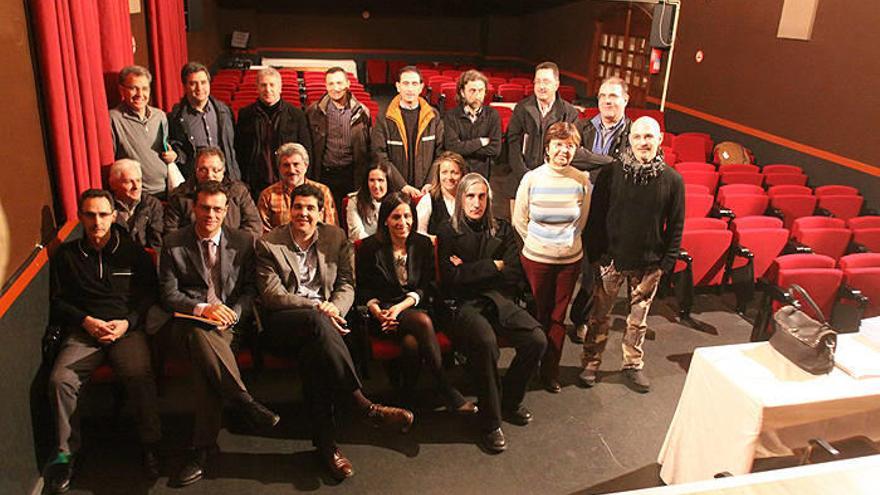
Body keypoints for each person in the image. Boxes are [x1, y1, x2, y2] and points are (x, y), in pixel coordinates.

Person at [256, 183, 414, 481]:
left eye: (310, 208)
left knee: (315, 356)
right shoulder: (269, 243)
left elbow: (346, 284)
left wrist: (335, 309)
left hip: (325, 326)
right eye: (298, 207)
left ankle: (328, 448)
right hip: (283, 324)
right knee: (316, 323)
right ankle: (363, 405)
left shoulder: (335, 237)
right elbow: (272, 295)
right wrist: (318, 307)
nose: (303, 213)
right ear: (290, 209)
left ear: (320, 213)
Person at [159, 180, 279, 487]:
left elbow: (251, 289)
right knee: (200, 335)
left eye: (216, 209)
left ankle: (202, 449)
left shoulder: (243, 241)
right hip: (188, 322)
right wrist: (202, 309)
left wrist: (233, 313)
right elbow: (168, 295)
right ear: (194, 208)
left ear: (226, 211)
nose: (209, 215)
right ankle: (243, 401)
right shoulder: (173, 242)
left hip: (230, 326)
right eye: (204, 208)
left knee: (205, 365)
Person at [45, 189, 161, 493]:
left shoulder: (133, 252)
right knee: (60, 380)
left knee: (139, 374)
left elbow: (150, 295)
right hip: (85, 331)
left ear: (114, 216)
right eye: (90, 215)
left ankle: (151, 444)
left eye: (102, 215)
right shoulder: (67, 256)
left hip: (126, 329)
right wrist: (86, 321)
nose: (97, 222)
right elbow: (59, 302)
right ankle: (65, 455)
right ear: (80, 217)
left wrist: (128, 323)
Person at [437, 173, 546, 453]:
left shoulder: (503, 229)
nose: (476, 203)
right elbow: (452, 280)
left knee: (536, 340)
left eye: (482, 196)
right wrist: (493, 266)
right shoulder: (448, 231)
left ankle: (509, 400)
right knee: (485, 343)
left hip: (499, 300)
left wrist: (470, 269)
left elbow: (513, 273)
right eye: (470, 196)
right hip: (464, 305)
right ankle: (490, 422)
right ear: (461, 199)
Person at [579, 116, 685, 393]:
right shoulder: (611, 173)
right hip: (611, 261)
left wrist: (665, 264)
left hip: (649, 265)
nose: (643, 142)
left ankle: (632, 365)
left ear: (659, 139)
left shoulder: (673, 180)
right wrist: (595, 255)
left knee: (638, 322)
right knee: (599, 317)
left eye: (649, 137)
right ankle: (591, 362)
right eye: (637, 136)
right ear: (629, 139)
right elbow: (596, 217)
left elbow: (676, 226)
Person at [356, 192, 477, 413]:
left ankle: (406, 400)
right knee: (419, 325)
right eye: (396, 217)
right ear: (385, 219)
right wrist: (378, 312)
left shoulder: (422, 244)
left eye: (407, 216)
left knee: (411, 343)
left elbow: (426, 286)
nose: (403, 222)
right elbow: (363, 289)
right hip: (382, 315)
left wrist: (400, 307)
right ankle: (446, 389)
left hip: (414, 307)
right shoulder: (369, 247)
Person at [512, 122, 591, 393]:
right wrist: (540, 244)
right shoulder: (532, 179)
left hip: (569, 260)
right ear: (547, 148)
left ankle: (550, 371)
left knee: (558, 318)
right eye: (558, 144)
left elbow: (581, 222)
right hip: (536, 259)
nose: (564, 151)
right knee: (537, 314)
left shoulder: (581, 180)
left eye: (570, 146)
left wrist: (563, 245)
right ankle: (527, 367)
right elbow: (519, 220)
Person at [570, 76, 631, 343]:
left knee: (592, 272)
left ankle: (580, 319)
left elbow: (625, 167)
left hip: (607, 213)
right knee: (567, 266)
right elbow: (573, 156)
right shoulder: (583, 126)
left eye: (613, 96)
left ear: (625, 100)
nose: (607, 101)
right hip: (575, 207)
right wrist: (608, 162)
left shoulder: (633, 133)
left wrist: (590, 163)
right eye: (603, 96)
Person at [505, 61, 579, 201]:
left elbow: (571, 148)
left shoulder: (569, 113)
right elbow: (513, 142)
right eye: (537, 82)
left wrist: (551, 176)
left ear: (556, 84)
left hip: (555, 181)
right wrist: (524, 175)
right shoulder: (522, 108)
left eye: (546, 82)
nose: (541, 86)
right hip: (521, 178)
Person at [235, 67, 312, 197]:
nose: (268, 89)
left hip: (288, 182)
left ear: (280, 88)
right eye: (263, 85)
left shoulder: (296, 115)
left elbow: (306, 150)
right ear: (257, 88)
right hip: (255, 184)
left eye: (272, 85)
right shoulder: (246, 115)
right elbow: (239, 150)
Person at [306, 66, 371, 213]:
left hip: (351, 174)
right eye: (331, 83)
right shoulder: (314, 111)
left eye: (339, 83)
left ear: (348, 84)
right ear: (326, 86)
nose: (336, 88)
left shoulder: (362, 112)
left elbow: (368, 147)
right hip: (324, 174)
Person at [371, 65, 444, 196]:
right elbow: (380, 155)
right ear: (398, 86)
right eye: (405, 83)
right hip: (396, 191)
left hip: (426, 191)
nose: (410, 89)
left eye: (414, 84)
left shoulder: (434, 116)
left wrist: (430, 183)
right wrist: (402, 185)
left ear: (421, 87)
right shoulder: (384, 118)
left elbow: (440, 153)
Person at [109, 65, 178, 198]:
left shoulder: (160, 116)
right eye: (133, 88)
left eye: (145, 88)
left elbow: (166, 146)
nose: (140, 94)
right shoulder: (113, 118)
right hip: (138, 194)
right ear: (122, 90)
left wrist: (172, 155)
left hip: (168, 190)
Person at [168, 61, 241, 181]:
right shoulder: (175, 118)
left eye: (203, 82)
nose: (199, 88)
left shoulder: (224, 111)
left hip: (225, 179)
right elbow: (178, 149)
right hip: (196, 181)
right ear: (185, 86)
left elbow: (233, 147)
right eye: (193, 83)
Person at [165, 147, 262, 236]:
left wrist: (235, 244)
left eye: (215, 170)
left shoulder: (238, 192)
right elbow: (171, 233)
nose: (209, 175)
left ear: (223, 171)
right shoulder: (180, 196)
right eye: (203, 170)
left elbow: (254, 226)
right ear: (196, 170)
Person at [257, 142, 337, 231]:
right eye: (286, 165)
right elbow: (264, 232)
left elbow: (331, 230)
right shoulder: (268, 195)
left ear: (306, 166)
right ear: (279, 168)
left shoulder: (323, 191)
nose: (291, 170)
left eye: (296, 164)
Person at [442, 70, 502, 179]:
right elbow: (452, 148)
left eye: (480, 90)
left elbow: (495, 150)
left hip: (482, 175)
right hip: (457, 175)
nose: (477, 95)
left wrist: (464, 148)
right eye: (472, 90)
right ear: (462, 92)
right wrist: (480, 142)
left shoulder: (493, 115)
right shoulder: (451, 116)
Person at [107, 158, 164, 251]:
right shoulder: (106, 205)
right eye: (128, 182)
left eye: (138, 180)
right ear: (113, 184)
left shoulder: (152, 204)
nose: (136, 187)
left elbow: (156, 243)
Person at [416, 151, 469, 236]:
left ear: (462, 175)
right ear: (438, 174)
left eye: (454, 173)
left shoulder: (469, 199)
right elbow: (420, 234)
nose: (449, 177)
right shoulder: (428, 201)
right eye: (444, 172)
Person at [345, 162, 393, 241]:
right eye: (372, 180)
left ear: (388, 182)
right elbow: (357, 234)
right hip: (365, 246)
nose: (376, 186)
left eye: (380, 180)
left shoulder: (396, 202)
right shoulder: (354, 201)